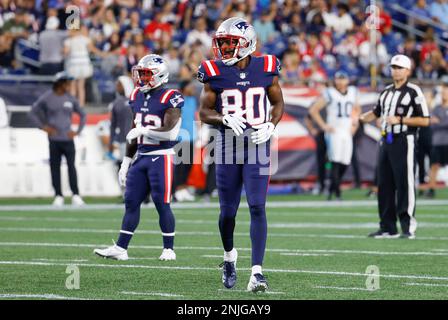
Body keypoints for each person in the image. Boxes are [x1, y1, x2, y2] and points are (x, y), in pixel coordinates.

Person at [198, 17, 284, 292]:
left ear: (247, 43)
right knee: (228, 213)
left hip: (257, 143)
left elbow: (278, 102)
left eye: (230, 43)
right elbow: (204, 112)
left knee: (257, 206)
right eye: (222, 43)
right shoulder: (213, 71)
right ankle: (229, 257)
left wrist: (271, 125)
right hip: (226, 146)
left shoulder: (266, 67)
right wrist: (222, 118)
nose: (224, 48)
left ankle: (257, 272)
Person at [94, 54, 183, 261]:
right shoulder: (135, 95)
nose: (142, 79)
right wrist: (126, 162)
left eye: (146, 74)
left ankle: (168, 249)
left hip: (161, 157)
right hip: (141, 156)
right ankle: (121, 248)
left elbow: (170, 132)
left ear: (159, 75)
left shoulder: (171, 96)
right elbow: (134, 131)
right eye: (140, 74)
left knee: (162, 203)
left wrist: (144, 130)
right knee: (131, 201)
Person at [359, 54, 430, 239]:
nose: (395, 70)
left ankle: (408, 227)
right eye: (393, 67)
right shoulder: (386, 92)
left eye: (399, 67)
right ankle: (387, 227)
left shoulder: (414, 91)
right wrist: (360, 117)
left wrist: (400, 119)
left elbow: (425, 120)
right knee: (384, 185)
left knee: (405, 183)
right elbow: (375, 113)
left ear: (407, 70)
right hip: (385, 141)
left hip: (405, 140)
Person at [28, 71, 86, 206]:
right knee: (55, 167)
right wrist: (42, 127)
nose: (69, 84)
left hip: (68, 139)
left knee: (72, 167)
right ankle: (58, 195)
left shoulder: (70, 98)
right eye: (67, 82)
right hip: (54, 140)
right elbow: (32, 113)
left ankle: (76, 195)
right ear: (59, 83)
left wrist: (77, 131)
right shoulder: (47, 98)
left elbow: (83, 115)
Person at [309, 71, 361, 200]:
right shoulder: (330, 93)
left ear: (347, 80)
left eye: (343, 79)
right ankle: (337, 192)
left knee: (346, 161)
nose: (341, 82)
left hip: (347, 130)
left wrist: (355, 123)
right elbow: (313, 110)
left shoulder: (353, 91)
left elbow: (357, 108)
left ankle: (331, 187)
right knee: (336, 161)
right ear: (335, 80)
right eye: (339, 79)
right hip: (335, 130)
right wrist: (324, 126)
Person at [427, 78, 448, 198]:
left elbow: (441, 122)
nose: (444, 94)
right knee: (434, 165)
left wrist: (439, 122)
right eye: (443, 92)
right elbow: (430, 122)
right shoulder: (437, 108)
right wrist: (440, 122)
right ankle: (431, 189)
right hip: (437, 141)